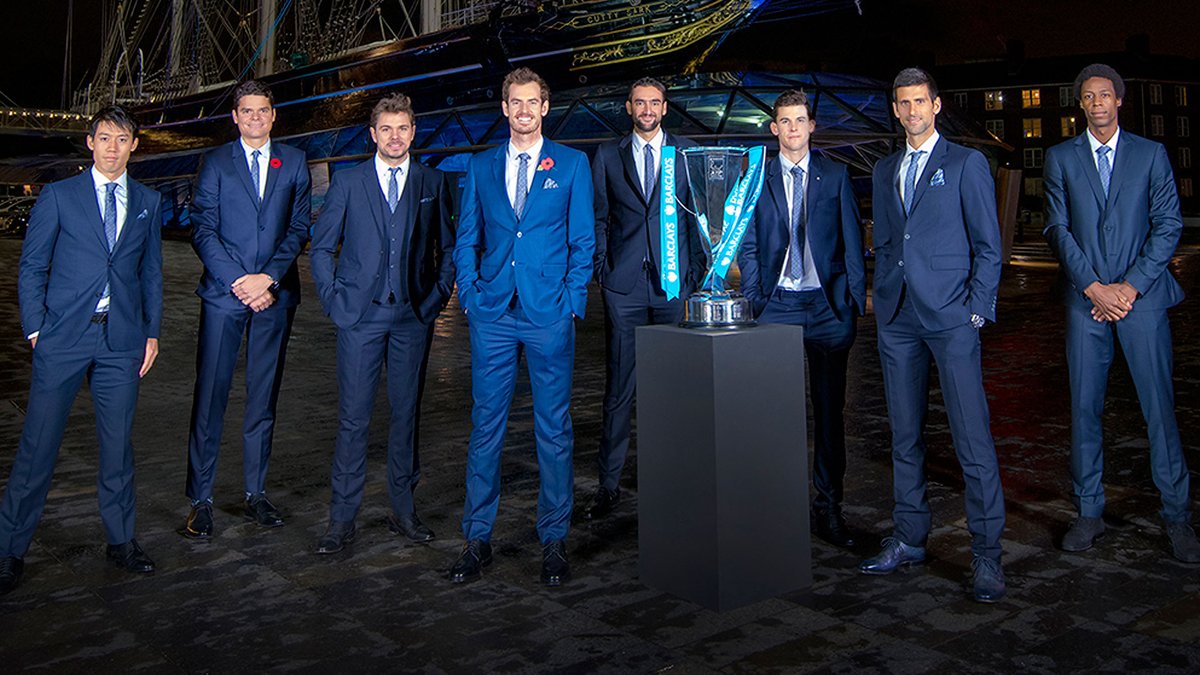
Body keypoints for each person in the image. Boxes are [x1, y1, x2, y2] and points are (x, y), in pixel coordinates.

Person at [0, 106, 163, 595]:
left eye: (122, 139)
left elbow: (150, 272)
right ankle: (9, 549)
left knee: (117, 446)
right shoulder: (59, 196)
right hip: (64, 337)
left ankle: (121, 541)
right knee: (38, 446)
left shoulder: (148, 201)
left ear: (134, 145)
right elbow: (33, 267)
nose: (113, 148)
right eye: (105, 138)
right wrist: (36, 329)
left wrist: (151, 332)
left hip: (122, 340)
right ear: (90, 143)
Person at [1043, 64, 1200, 562]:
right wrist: (1093, 287)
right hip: (1084, 301)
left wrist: (1128, 288)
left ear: (1119, 101)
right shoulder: (1060, 158)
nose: (1097, 103)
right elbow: (1056, 228)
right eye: (1089, 96)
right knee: (1084, 409)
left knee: (1159, 410)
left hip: (1142, 301)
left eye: (1105, 95)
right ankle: (1089, 512)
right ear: (1081, 105)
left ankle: (1176, 516)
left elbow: (1168, 224)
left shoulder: (1151, 155)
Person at [861, 68, 1007, 603]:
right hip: (898, 317)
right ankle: (909, 537)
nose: (912, 111)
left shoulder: (966, 163)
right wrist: (881, 299)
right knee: (904, 435)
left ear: (936, 105)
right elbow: (888, 240)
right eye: (903, 103)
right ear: (895, 110)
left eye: (920, 101)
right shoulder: (884, 169)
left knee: (972, 438)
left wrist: (976, 312)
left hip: (951, 318)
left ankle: (987, 553)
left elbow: (988, 245)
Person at [449, 67, 594, 586]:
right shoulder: (481, 165)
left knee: (553, 429)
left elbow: (583, 240)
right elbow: (467, 237)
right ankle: (476, 537)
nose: (524, 110)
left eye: (533, 102)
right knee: (485, 426)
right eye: (516, 102)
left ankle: (554, 538)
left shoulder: (572, 164)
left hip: (548, 313)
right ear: (505, 108)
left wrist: (572, 300)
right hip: (492, 313)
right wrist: (470, 293)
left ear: (545, 107)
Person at [308, 93, 456, 554]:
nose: (395, 137)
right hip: (360, 316)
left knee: (406, 414)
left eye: (403, 128)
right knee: (353, 418)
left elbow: (449, 247)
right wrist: (334, 300)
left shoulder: (432, 182)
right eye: (386, 129)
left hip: (412, 316)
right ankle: (342, 518)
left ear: (413, 132)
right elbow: (321, 247)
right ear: (373, 134)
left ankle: (403, 509)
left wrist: (436, 297)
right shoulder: (349, 182)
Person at [181, 80, 312, 538]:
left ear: (274, 115)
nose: (255, 117)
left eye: (263, 110)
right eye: (247, 111)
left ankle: (256, 493)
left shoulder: (294, 162)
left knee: (263, 398)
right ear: (235, 116)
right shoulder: (216, 162)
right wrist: (239, 281)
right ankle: (200, 499)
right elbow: (202, 226)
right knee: (210, 396)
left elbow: (298, 228)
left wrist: (268, 278)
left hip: (274, 296)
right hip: (225, 295)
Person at [738, 89, 866, 549]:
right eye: (785, 121)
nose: (793, 128)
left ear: (812, 126)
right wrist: (755, 297)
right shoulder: (758, 177)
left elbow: (852, 240)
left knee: (830, 415)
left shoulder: (836, 175)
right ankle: (777, 508)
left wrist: (852, 301)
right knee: (774, 413)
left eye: (800, 120)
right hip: (778, 306)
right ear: (774, 129)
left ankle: (828, 507)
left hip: (827, 308)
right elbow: (749, 242)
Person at [586, 77, 703, 520]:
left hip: (673, 286)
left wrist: (693, 275)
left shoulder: (685, 153)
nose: (647, 109)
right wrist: (603, 269)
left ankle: (672, 477)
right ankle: (608, 483)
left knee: (674, 385)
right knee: (619, 388)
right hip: (625, 287)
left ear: (665, 108)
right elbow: (600, 217)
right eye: (640, 103)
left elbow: (696, 217)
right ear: (629, 107)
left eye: (655, 102)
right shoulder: (607, 155)